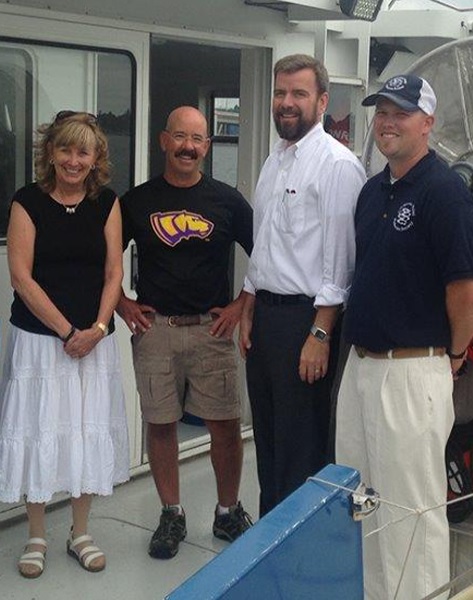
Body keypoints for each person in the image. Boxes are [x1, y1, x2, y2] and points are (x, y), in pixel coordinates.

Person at [336, 75, 473, 600]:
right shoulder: (373, 191)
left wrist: (455, 355)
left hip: (413, 370)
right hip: (362, 366)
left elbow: (463, 289)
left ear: (427, 124)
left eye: (401, 113)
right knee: (363, 498)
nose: (388, 122)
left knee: (411, 509)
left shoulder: (445, 194)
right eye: (382, 112)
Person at [118, 105, 253, 560]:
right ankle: (171, 514)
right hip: (156, 331)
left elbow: (269, 257)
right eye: (180, 137)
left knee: (225, 427)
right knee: (161, 425)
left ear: (207, 147)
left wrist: (240, 305)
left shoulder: (228, 201)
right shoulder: (135, 202)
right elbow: (101, 262)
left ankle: (227, 511)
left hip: (211, 333)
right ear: (163, 140)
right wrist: (121, 303)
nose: (188, 147)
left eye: (197, 140)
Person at [0, 111, 129, 578]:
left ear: (96, 159)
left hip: (93, 342)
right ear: (50, 154)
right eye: (65, 150)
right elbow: (21, 276)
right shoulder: (27, 202)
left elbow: (115, 272)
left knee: (83, 429)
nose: (74, 161)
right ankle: (36, 535)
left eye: (83, 152)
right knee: (39, 430)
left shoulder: (107, 203)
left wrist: (96, 328)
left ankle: (80, 532)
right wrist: (66, 332)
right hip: (41, 341)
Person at [239, 54, 366, 517]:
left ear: (322, 101)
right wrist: (249, 309)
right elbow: (266, 245)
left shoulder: (337, 165)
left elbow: (341, 265)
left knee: (302, 447)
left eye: (298, 94)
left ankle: (299, 562)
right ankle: (269, 544)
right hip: (268, 319)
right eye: (280, 93)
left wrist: (320, 333)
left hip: (306, 323)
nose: (286, 103)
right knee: (268, 440)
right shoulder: (274, 161)